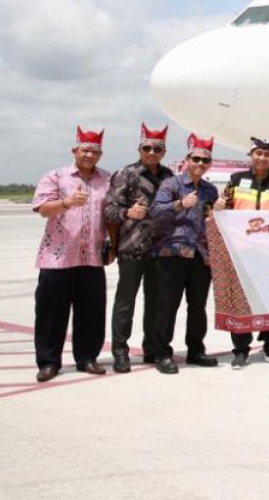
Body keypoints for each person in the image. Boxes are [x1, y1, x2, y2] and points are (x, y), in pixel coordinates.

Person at [30, 127, 112, 382]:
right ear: (74, 150)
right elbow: (43, 209)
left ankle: (87, 358)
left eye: (94, 151)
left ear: (100, 154)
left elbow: (111, 216)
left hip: (92, 258)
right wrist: (66, 203)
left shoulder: (107, 179)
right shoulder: (55, 177)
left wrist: (114, 245)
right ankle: (48, 362)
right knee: (51, 315)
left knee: (91, 313)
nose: (89, 155)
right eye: (85, 150)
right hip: (58, 258)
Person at [103, 123, 174, 373]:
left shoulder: (169, 177)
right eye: (147, 148)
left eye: (157, 148)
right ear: (139, 149)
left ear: (164, 152)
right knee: (126, 302)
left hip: (160, 250)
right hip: (132, 248)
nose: (152, 152)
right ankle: (120, 352)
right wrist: (128, 212)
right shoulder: (126, 174)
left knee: (156, 303)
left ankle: (152, 349)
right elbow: (109, 209)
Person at [215, 136, 269, 368]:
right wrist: (218, 206)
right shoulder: (236, 180)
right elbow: (223, 207)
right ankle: (240, 349)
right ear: (251, 155)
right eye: (258, 153)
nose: (262, 158)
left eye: (267, 154)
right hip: (242, 251)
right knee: (240, 301)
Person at [149, 134, 221, 374]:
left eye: (205, 160)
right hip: (172, 253)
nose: (200, 163)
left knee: (197, 306)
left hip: (201, 255)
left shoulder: (211, 191)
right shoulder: (172, 185)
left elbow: (214, 219)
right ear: (187, 160)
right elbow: (156, 212)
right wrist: (180, 204)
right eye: (196, 159)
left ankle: (195, 350)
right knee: (168, 305)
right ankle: (161, 353)